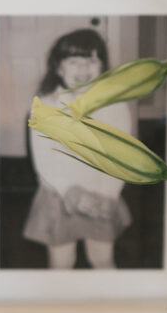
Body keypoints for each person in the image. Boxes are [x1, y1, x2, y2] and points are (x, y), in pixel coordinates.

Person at [24, 27, 133, 272]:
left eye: (91, 61)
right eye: (73, 61)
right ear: (58, 68)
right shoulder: (46, 105)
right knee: (61, 262)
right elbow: (44, 158)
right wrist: (69, 192)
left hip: (102, 193)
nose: (83, 69)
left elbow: (123, 156)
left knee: (102, 259)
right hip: (59, 195)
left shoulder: (114, 105)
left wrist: (110, 193)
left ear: (103, 67)